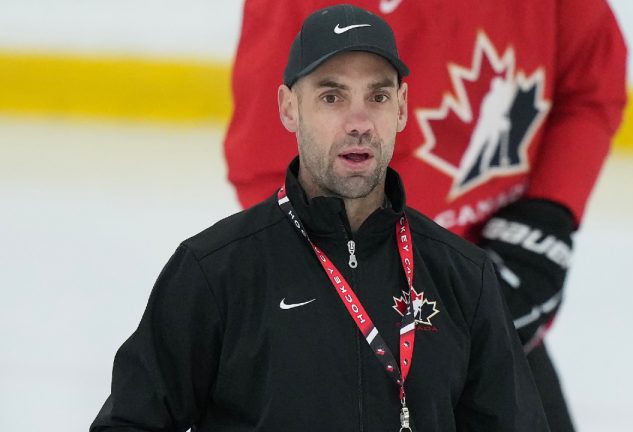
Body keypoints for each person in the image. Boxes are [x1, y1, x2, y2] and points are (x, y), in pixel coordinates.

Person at [91, 5, 550, 431]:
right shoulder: (216, 271)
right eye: (332, 96)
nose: (359, 122)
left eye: (378, 96)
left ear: (403, 107)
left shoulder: (464, 279)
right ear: (289, 108)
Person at [223, 1, 627, 429]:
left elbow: (589, 82)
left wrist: (548, 215)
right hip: (360, 327)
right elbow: (264, 162)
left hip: (489, 298)